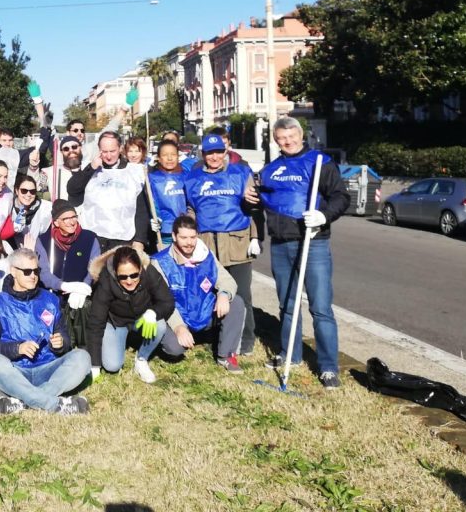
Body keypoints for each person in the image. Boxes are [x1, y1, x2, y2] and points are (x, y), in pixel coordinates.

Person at [245, 116, 350, 388]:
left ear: (301, 136)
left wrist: (323, 216)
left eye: (291, 136)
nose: (287, 142)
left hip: (312, 243)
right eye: (281, 138)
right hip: (281, 244)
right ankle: (290, 354)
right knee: (288, 306)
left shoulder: (320, 163)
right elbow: (257, 196)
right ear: (276, 141)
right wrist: (248, 194)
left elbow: (341, 197)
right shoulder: (272, 169)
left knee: (321, 307)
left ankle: (328, 367)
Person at [0, 248, 92, 415]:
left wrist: (61, 343)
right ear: (13, 271)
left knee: (82, 357)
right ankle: (54, 404)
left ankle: (23, 401)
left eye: (36, 271)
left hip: (49, 370)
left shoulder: (51, 300)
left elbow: (66, 339)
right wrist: (17, 348)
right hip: (15, 371)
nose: (33, 276)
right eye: (27, 272)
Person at [183, 133, 259, 356]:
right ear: (203, 154)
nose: (214, 157)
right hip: (208, 245)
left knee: (242, 294)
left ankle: (246, 340)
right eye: (209, 153)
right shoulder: (193, 178)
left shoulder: (241, 173)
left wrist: (255, 237)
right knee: (211, 293)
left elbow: (253, 208)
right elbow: (191, 209)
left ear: (225, 152)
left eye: (218, 152)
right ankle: (217, 335)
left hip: (236, 244)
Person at [150, 215, 246, 373]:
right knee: (175, 350)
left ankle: (226, 355)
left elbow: (227, 280)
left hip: (203, 311)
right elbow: (163, 301)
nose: (189, 242)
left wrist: (223, 294)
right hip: (175, 316)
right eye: (184, 237)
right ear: (174, 236)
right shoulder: (160, 262)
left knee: (236, 302)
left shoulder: (205, 254)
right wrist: (179, 327)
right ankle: (178, 339)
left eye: (193, 237)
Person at [85, 246, 175, 384]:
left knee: (160, 325)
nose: (129, 281)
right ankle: (121, 341)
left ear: (140, 269)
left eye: (134, 275)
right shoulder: (106, 280)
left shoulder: (149, 272)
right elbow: (96, 322)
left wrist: (153, 312)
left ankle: (141, 359)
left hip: (142, 319)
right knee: (112, 366)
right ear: (115, 273)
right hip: (117, 322)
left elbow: (167, 301)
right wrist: (95, 365)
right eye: (123, 277)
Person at [66, 131, 150, 251]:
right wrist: (91, 168)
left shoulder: (133, 171)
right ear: (99, 149)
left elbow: (141, 209)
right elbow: (72, 189)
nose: (109, 156)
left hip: (123, 238)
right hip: (94, 236)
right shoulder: (91, 168)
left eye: (112, 151)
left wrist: (140, 240)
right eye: (104, 152)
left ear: (120, 149)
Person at [34, 200, 101, 347]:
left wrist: (83, 287)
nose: (72, 222)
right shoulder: (44, 241)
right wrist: (64, 285)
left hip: (81, 294)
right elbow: (44, 274)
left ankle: (85, 346)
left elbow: (94, 267)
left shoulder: (89, 238)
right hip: (54, 294)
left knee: (84, 307)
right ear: (56, 222)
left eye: (74, 217)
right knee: (62, 340)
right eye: (66, 219)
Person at [148, 140, 188, 248]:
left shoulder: (187, 176)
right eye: (165, 155)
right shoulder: (152, 178)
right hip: (165, 234)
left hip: (186, 232)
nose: (170, 158)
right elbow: (152, 204)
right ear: (159, 158)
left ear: (178, 156)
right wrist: (154, 219)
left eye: (173, 155)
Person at [8, 175, 51, 251]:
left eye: (32, 191)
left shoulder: (45, 208)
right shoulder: (9, 207)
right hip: (11, 252)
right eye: (24, 191)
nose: (28, 194)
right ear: (17, 191)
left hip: (35, 253)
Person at [42, 135, 84, 203]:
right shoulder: (50, 172)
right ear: (61, 152)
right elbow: (37, 183)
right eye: (66, 149)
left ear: (80, 147)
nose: (71, 151)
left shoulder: (89, 169)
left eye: (74, 147)